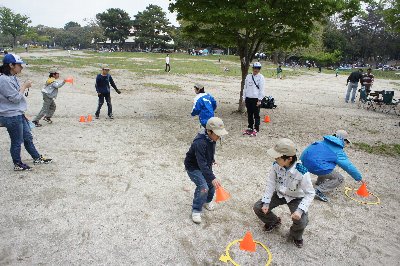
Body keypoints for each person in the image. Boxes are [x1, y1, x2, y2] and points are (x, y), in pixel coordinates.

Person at [253, 138, 315, 248]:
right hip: (279, 194)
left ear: (289, 159)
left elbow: (310, 193)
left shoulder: (302, 171)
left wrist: (300, 211)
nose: (275, 159)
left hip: (296, 198)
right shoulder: (275, 165)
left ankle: (295, 235)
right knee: (258, 207)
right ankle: (274, 221)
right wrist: (266, 202)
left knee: (301, 221)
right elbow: (271, 183)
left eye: (278, 157)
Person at [0, 54, 52, 171]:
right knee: (17, 141)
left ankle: (37, 157)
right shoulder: (3, 80)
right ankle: (17, 164)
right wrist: (24, 86)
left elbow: (17, 94)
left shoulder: (12, 77)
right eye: (19, 65)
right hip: (11, 115)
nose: (21, 67)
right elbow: (15, 98)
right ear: (11, 65)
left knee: (28, 137)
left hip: (18, 113)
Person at [184, 117, 228, 224]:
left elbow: (209, 151)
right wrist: (212, 177)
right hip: (194, 167)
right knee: (203, 187)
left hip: (204, 165)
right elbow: (201, 163)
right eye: (217, 134)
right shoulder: (199, 142)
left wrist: (212, 159)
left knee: (211, 185)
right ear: (209, 131)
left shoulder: (211, 138)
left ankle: (207, 201)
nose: (219, 136)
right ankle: (196, 209)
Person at [300, 130, 363, 202]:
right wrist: (358, 177)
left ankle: (319, 182)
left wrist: (301, 163)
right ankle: (318, 190)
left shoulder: (322, 142)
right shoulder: (338, 151)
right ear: (342, 140)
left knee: (324, 164)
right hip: (316, 167)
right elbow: (348, 166)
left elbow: (307, 151)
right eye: (346, 142)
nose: (346, 144)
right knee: (339, 178)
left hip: (304, 163)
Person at [242, 62, 265, 137]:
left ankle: (256, 128)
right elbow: (245, 88)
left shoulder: (261, 77)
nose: (256, 70)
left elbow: (262, 89)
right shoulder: (248, 76)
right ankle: (250, 127)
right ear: (252, 68)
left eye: (258, 68)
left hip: (256, 99)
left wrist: (260, 100)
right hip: (248, 98)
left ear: (259, 69)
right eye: (255, 68)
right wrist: (244, 98)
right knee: (249, 114)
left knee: (256, 114)